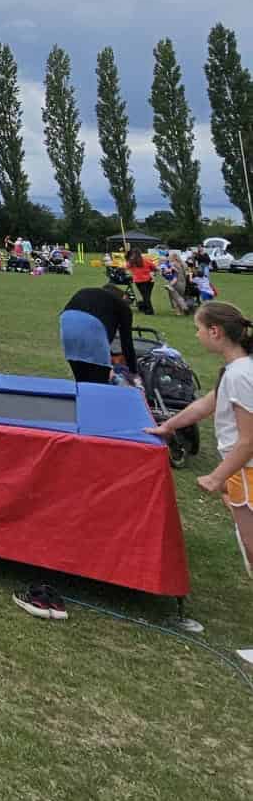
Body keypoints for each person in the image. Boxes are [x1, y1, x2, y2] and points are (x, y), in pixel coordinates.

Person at [149, 300, 253, 665]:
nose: (195, 334)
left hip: (246, 474)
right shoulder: (233, 372)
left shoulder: (241, 374)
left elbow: (247, 440)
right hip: (240, 475)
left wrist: (217, 476)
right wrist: (168, 426)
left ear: (216, 332)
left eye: (198, 328)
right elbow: (205, 405)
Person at [58, 279, 136, 385]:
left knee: (81, 378)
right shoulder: (122, 306)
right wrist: (134, 372)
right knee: (99, 381)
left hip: (67, 321)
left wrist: (109, 354)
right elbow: (127, 343)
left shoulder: (88, 293)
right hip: (93, 324)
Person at [128, 248, 156, 315]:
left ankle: (149, 310)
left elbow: (126, 266)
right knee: (147, 296)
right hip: (149, 280)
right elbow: (154, 267)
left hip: (139, 281)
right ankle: (148, 309)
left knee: (145, 296)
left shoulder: (131, 262)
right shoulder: (146, 260)